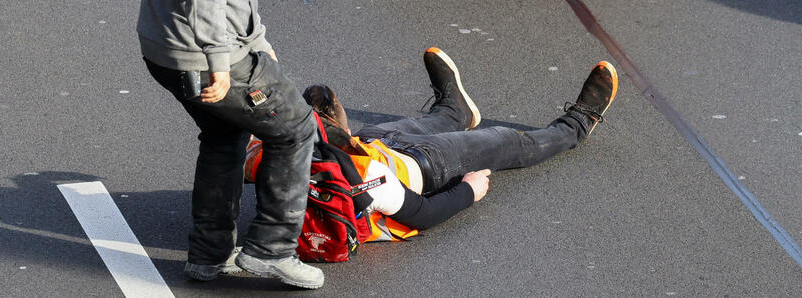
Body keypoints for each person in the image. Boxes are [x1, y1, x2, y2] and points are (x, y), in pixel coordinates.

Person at [136, 0, 326, 290]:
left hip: (164, 50)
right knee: (296, 127)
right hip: (201, 54)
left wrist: (258, 41)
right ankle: (270, 250)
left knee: (224, 137)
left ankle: (208, 256)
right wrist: (222, 63)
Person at [260, 47, 618, 241]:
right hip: (425, 165)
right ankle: (577, 124)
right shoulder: (371, 180)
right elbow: (422, 214)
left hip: (377, 147)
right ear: (336, 134)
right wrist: (469, 191)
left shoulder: (268, 159)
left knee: (407, 128)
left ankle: (454, 111)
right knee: (506, 142)